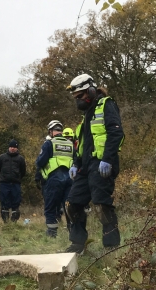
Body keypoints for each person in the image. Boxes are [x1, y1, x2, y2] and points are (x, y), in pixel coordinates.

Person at [64, 74, 124, 254]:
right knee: (73, 204)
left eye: (80, 96)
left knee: (102, 205)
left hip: (102, 163)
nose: (79, 101)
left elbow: (116, 134)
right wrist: (75, 163)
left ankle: (111, 247)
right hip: (86, 166)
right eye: (76, 98)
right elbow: (82, 144)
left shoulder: (107, 104)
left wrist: (107, 159)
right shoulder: (86, 116)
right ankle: (77, 244)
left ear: (91, 90)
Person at [36, 120, 74, 237]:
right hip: (70, 179)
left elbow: (40, 162)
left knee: (51, 205)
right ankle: (72, 231)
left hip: (54, 178)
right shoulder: (70, 144)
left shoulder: (49, 143)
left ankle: (52, 233)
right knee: (68, 206)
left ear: (51, 131)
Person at [0, 139, 27, 222]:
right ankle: (5, 222)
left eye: (14, 147)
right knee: (4, 202)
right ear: (8, 147)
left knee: (16, 202)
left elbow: (23, 171)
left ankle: (14, 221)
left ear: (17, 148)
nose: (12, 148)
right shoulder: (2, 157)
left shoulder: (21, 159)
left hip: (15, 184)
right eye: (11, 147)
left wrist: (17, 178)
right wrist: (3, 178)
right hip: (4, 183)